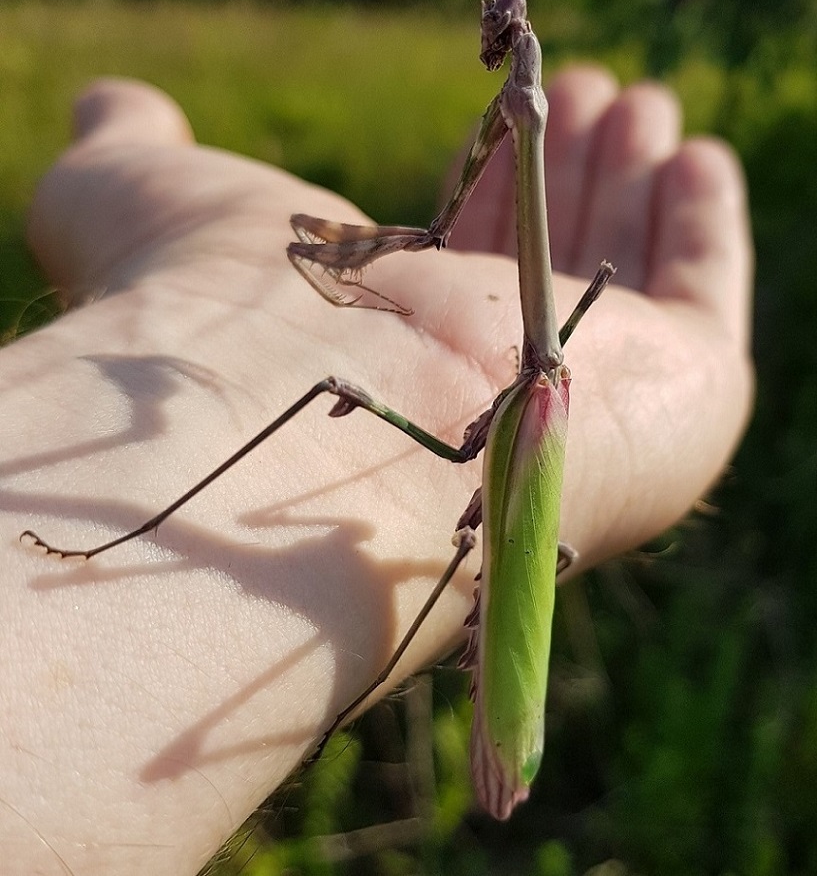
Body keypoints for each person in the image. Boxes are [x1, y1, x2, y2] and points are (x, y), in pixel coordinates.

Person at [0, 70, 753, 876]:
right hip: (517, 466)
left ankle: (140, 535)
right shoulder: (552, 377)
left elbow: (477, 474)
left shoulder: (541, 391)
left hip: (505, 518)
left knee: (377, 438)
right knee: (502, 539)